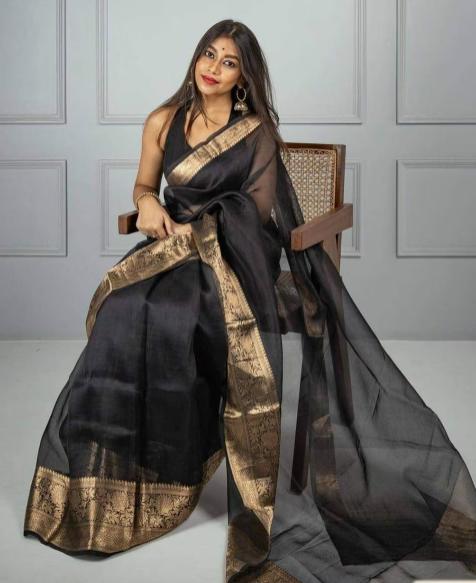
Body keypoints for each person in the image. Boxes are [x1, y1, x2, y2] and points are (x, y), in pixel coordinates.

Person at [23, 19, 476, 583]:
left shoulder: (256, 132)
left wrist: (198, 233)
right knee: (125, 310)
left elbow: (256, 216)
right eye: (208, 54)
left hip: (234, 262)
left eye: (229, 61)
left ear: (244, 77)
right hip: (167, 253)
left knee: (178, 313)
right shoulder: (163, 120)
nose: (213, 68)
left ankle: (184, 450)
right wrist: (147, 204)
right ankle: (133, 469)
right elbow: (143, 186)